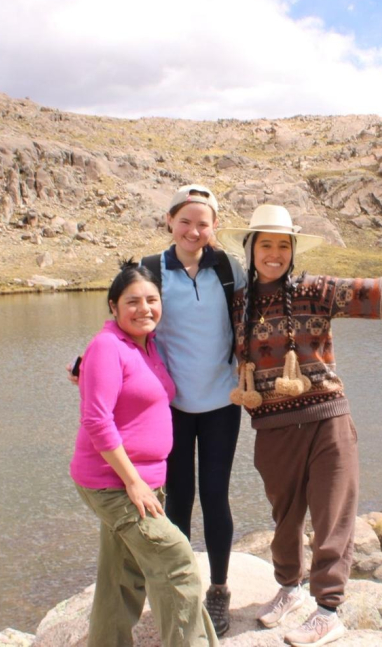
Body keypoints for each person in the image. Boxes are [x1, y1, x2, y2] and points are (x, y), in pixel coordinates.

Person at [217, 204, 382, 647]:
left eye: (283, 245)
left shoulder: (318, 289)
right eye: (265, 245)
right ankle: (289, 589)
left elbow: (375, 294)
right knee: (285, 518)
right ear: (250, 250)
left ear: (293, 250)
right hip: (271, 428)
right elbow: (173, 333)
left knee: (333, 516)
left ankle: (328, 610)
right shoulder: (235, 305)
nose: (274, 254)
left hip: (328, 421)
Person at [70, 259, 218, 647]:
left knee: (122, 578)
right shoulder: (106, 346)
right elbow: (97, 421)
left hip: (142, 481)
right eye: (132, 301)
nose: (144, 308)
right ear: (113, 307)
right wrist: (133, 483)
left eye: (152, 299)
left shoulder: (147, 346)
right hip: (115, 483)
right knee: (177, 562)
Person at [140, 184, 246, 636]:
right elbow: (125, 325)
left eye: (203, 223)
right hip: (172, 407)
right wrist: (87, 362)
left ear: (214, 226)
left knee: (216, 496)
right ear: (169, 221)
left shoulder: (228, 268)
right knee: (179, 500)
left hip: (222, 402)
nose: (193, 230)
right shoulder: (150, 270)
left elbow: (257, 315)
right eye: (185, 220)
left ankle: (218, 592)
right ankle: (182, 590)